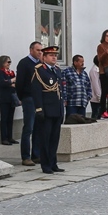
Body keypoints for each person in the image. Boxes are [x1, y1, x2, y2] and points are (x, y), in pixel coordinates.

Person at [30, 46, 66, 174]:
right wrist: (39, 109)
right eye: (51, 55)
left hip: (57, 110)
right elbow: (36, 91)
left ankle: (53, 163)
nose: (54, 57)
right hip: (46, 110)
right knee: (45, 139)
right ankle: (45, 165)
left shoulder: (56, 70)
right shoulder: (40, 71)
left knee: (54, 139)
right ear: (44, 57)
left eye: (55, 55)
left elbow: (60, 91)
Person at [15, 41, 43, 166]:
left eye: (41, 50)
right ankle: (25, 156)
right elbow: (19, 83)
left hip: (39, 99)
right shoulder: (24, 63)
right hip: (28, 98)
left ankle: (36, 154)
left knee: (38, 127)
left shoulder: (41, 64)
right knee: (29, 127)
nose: (40, 53)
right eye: (38, 50)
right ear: (31, 50)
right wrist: (22, 97)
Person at [0, 55, 18, 145]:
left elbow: (15, 83)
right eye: (7, 62)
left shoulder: (11, 72)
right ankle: (4, 138)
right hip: (4, 98)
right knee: (4, 118)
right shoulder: (0, 72)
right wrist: (11, 82)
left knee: (10, 118)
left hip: (12, 98)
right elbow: (1, 83)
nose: (9, 64)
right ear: (2, 63)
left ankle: (10, 136)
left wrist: (10, 82)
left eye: (10, 62)